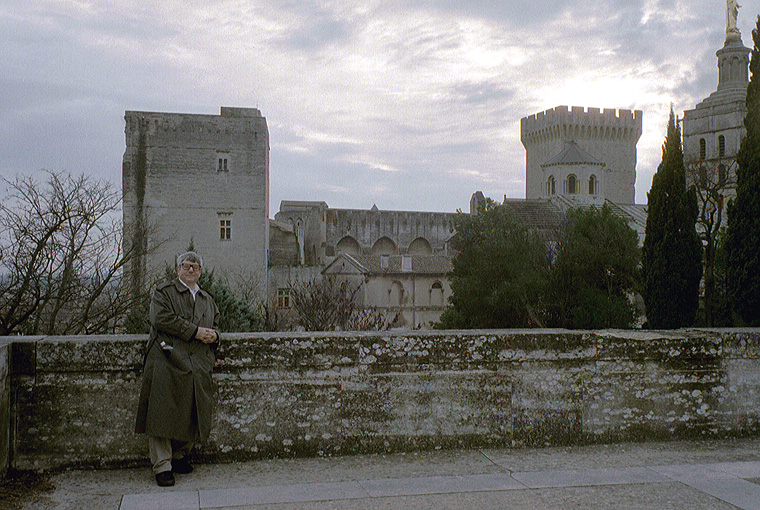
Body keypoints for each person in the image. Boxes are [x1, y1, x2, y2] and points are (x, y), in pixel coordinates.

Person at [135, 251, 220, 487]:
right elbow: (160, 318)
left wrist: (215, 336)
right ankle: (162, 465)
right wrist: (195, 331)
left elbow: (215, 324)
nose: (190, 270)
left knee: (194, 407)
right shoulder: (164, 292)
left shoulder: (206, 299)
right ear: (178, 269)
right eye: (186, 266)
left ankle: (179, 455)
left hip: (196, 361)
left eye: (195, 266)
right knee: (161, 411)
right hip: (166, 356)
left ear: (200, 271)